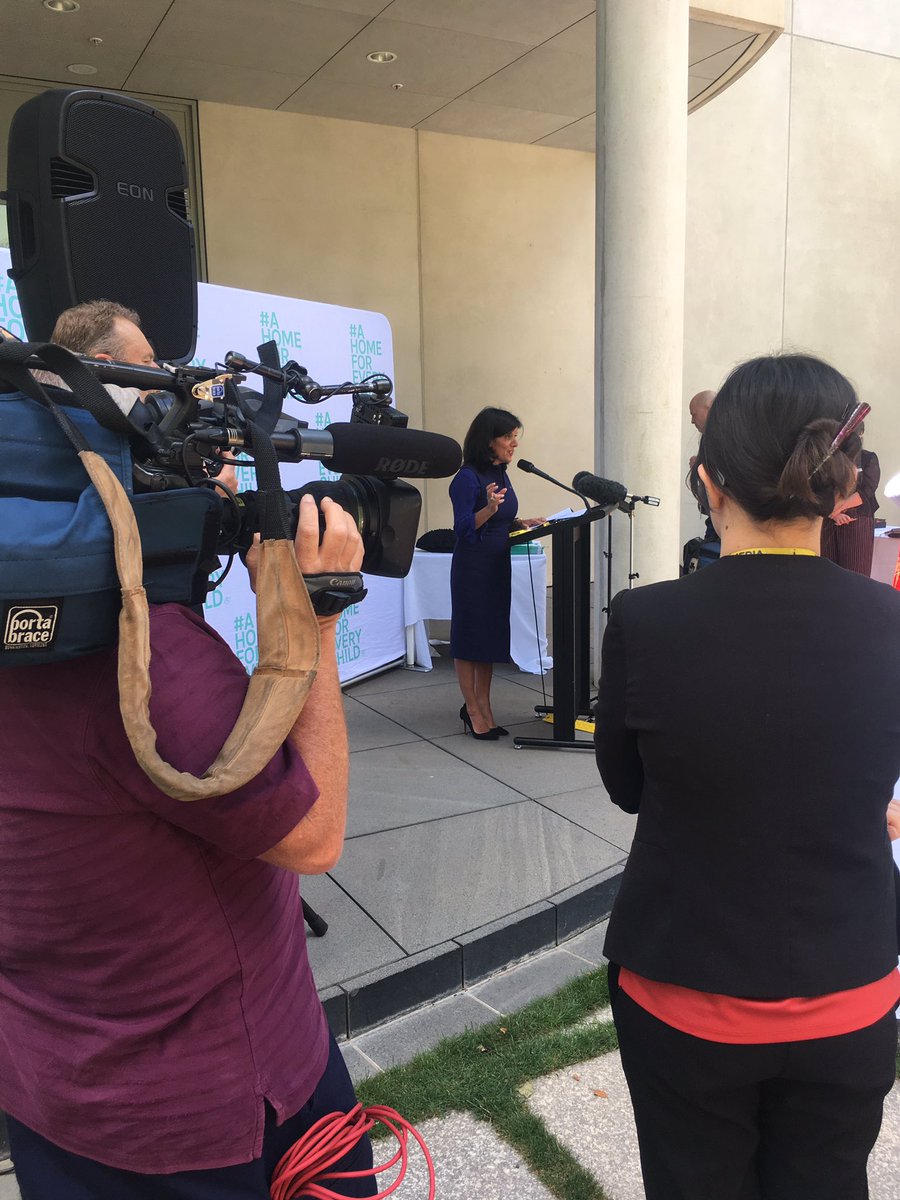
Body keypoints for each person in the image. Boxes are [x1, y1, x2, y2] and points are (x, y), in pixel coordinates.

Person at [0, 490, 379, 1197]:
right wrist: (316, 618)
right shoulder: (143, 658)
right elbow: (312, 835)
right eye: (154, 377)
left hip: (48, 1082)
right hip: (212, 1106)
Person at [594, 354, 900, 1200]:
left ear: (707, 480)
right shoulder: (892, 622)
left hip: (686, 990)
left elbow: (626, 784)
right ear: (845, 488)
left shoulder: (645, 620)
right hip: (853, 989)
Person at [34, 299, 238, 491]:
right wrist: (211, 496)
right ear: (108, 365)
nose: (158, 369)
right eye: (146, 361)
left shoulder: (40, 424)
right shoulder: (114, 452)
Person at [449, 407, 541, 739]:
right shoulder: (467, 477)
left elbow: (501, 518)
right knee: (470, 639)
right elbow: (462, 528)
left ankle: (485, 709)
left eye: (515, 436)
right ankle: (472, 710)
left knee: (488, 641)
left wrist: (520, 522)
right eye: (508, 436)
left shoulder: (501, 473)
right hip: (473, 568)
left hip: (497, 566)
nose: (514, 443)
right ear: (488, 440)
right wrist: (487, 509)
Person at [821, 426, 880, 575]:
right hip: (827, 520)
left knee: (856, 574)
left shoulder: (868, 458)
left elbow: (866, 491)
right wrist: (833, 514)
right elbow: (820, 489)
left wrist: (838, 508)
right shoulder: (828, 459)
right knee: (827, 574)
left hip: (856, 520)